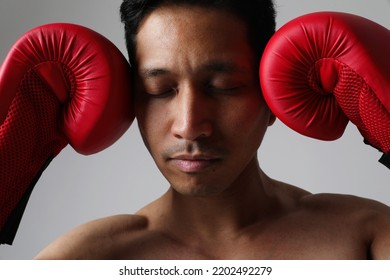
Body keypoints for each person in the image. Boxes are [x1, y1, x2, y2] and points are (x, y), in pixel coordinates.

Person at [34, 0, 390, 259]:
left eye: (223, 86)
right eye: (160, 91)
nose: (189, 126)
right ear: (130, 101)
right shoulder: (83, 261)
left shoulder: (367, 238)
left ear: (275, 95)